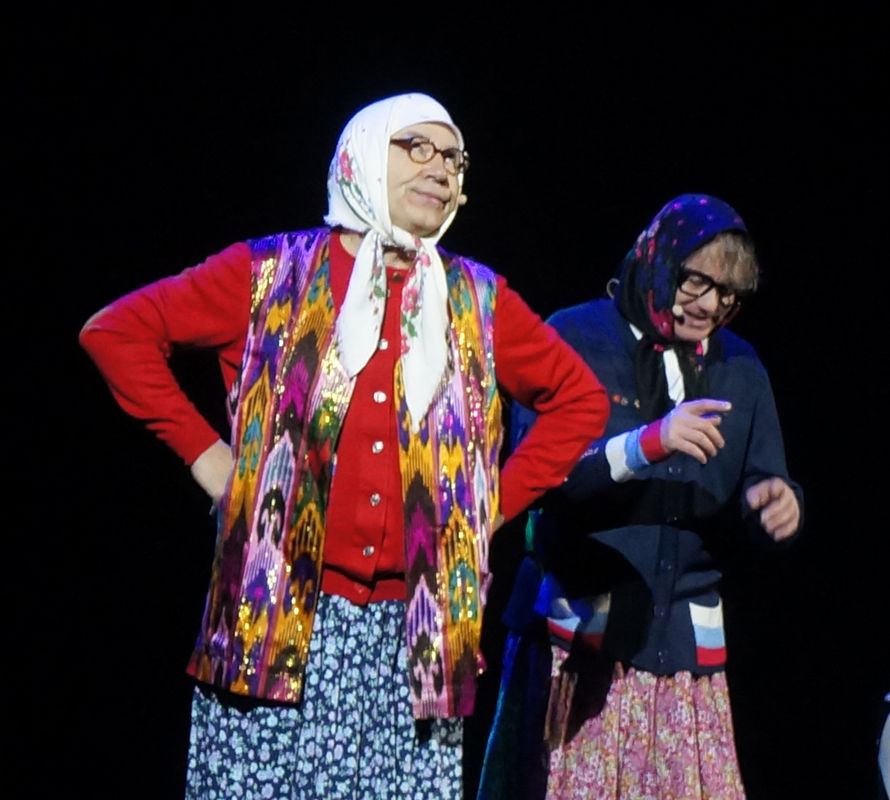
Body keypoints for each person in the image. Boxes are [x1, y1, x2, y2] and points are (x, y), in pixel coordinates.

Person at [79, 92, 609, 799]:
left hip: (412, 643)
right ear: (362, 155)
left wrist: (489, 506)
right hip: (276, 624)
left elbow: (580, 401)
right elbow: (116, 333)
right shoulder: (272, 272)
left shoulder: (475, 299)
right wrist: (209, 459)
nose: (441, 168)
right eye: (415, 147)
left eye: (453, 158)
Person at [477, 193, 803, 800]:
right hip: (577, 643)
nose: (711, 305)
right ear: (657, 261)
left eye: (728, 294)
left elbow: (762, 479)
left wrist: (777, 501)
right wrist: (646, 443)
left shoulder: (740, 366)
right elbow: (537, 480)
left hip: (684, 661)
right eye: (696, 281)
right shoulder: (575, 337)